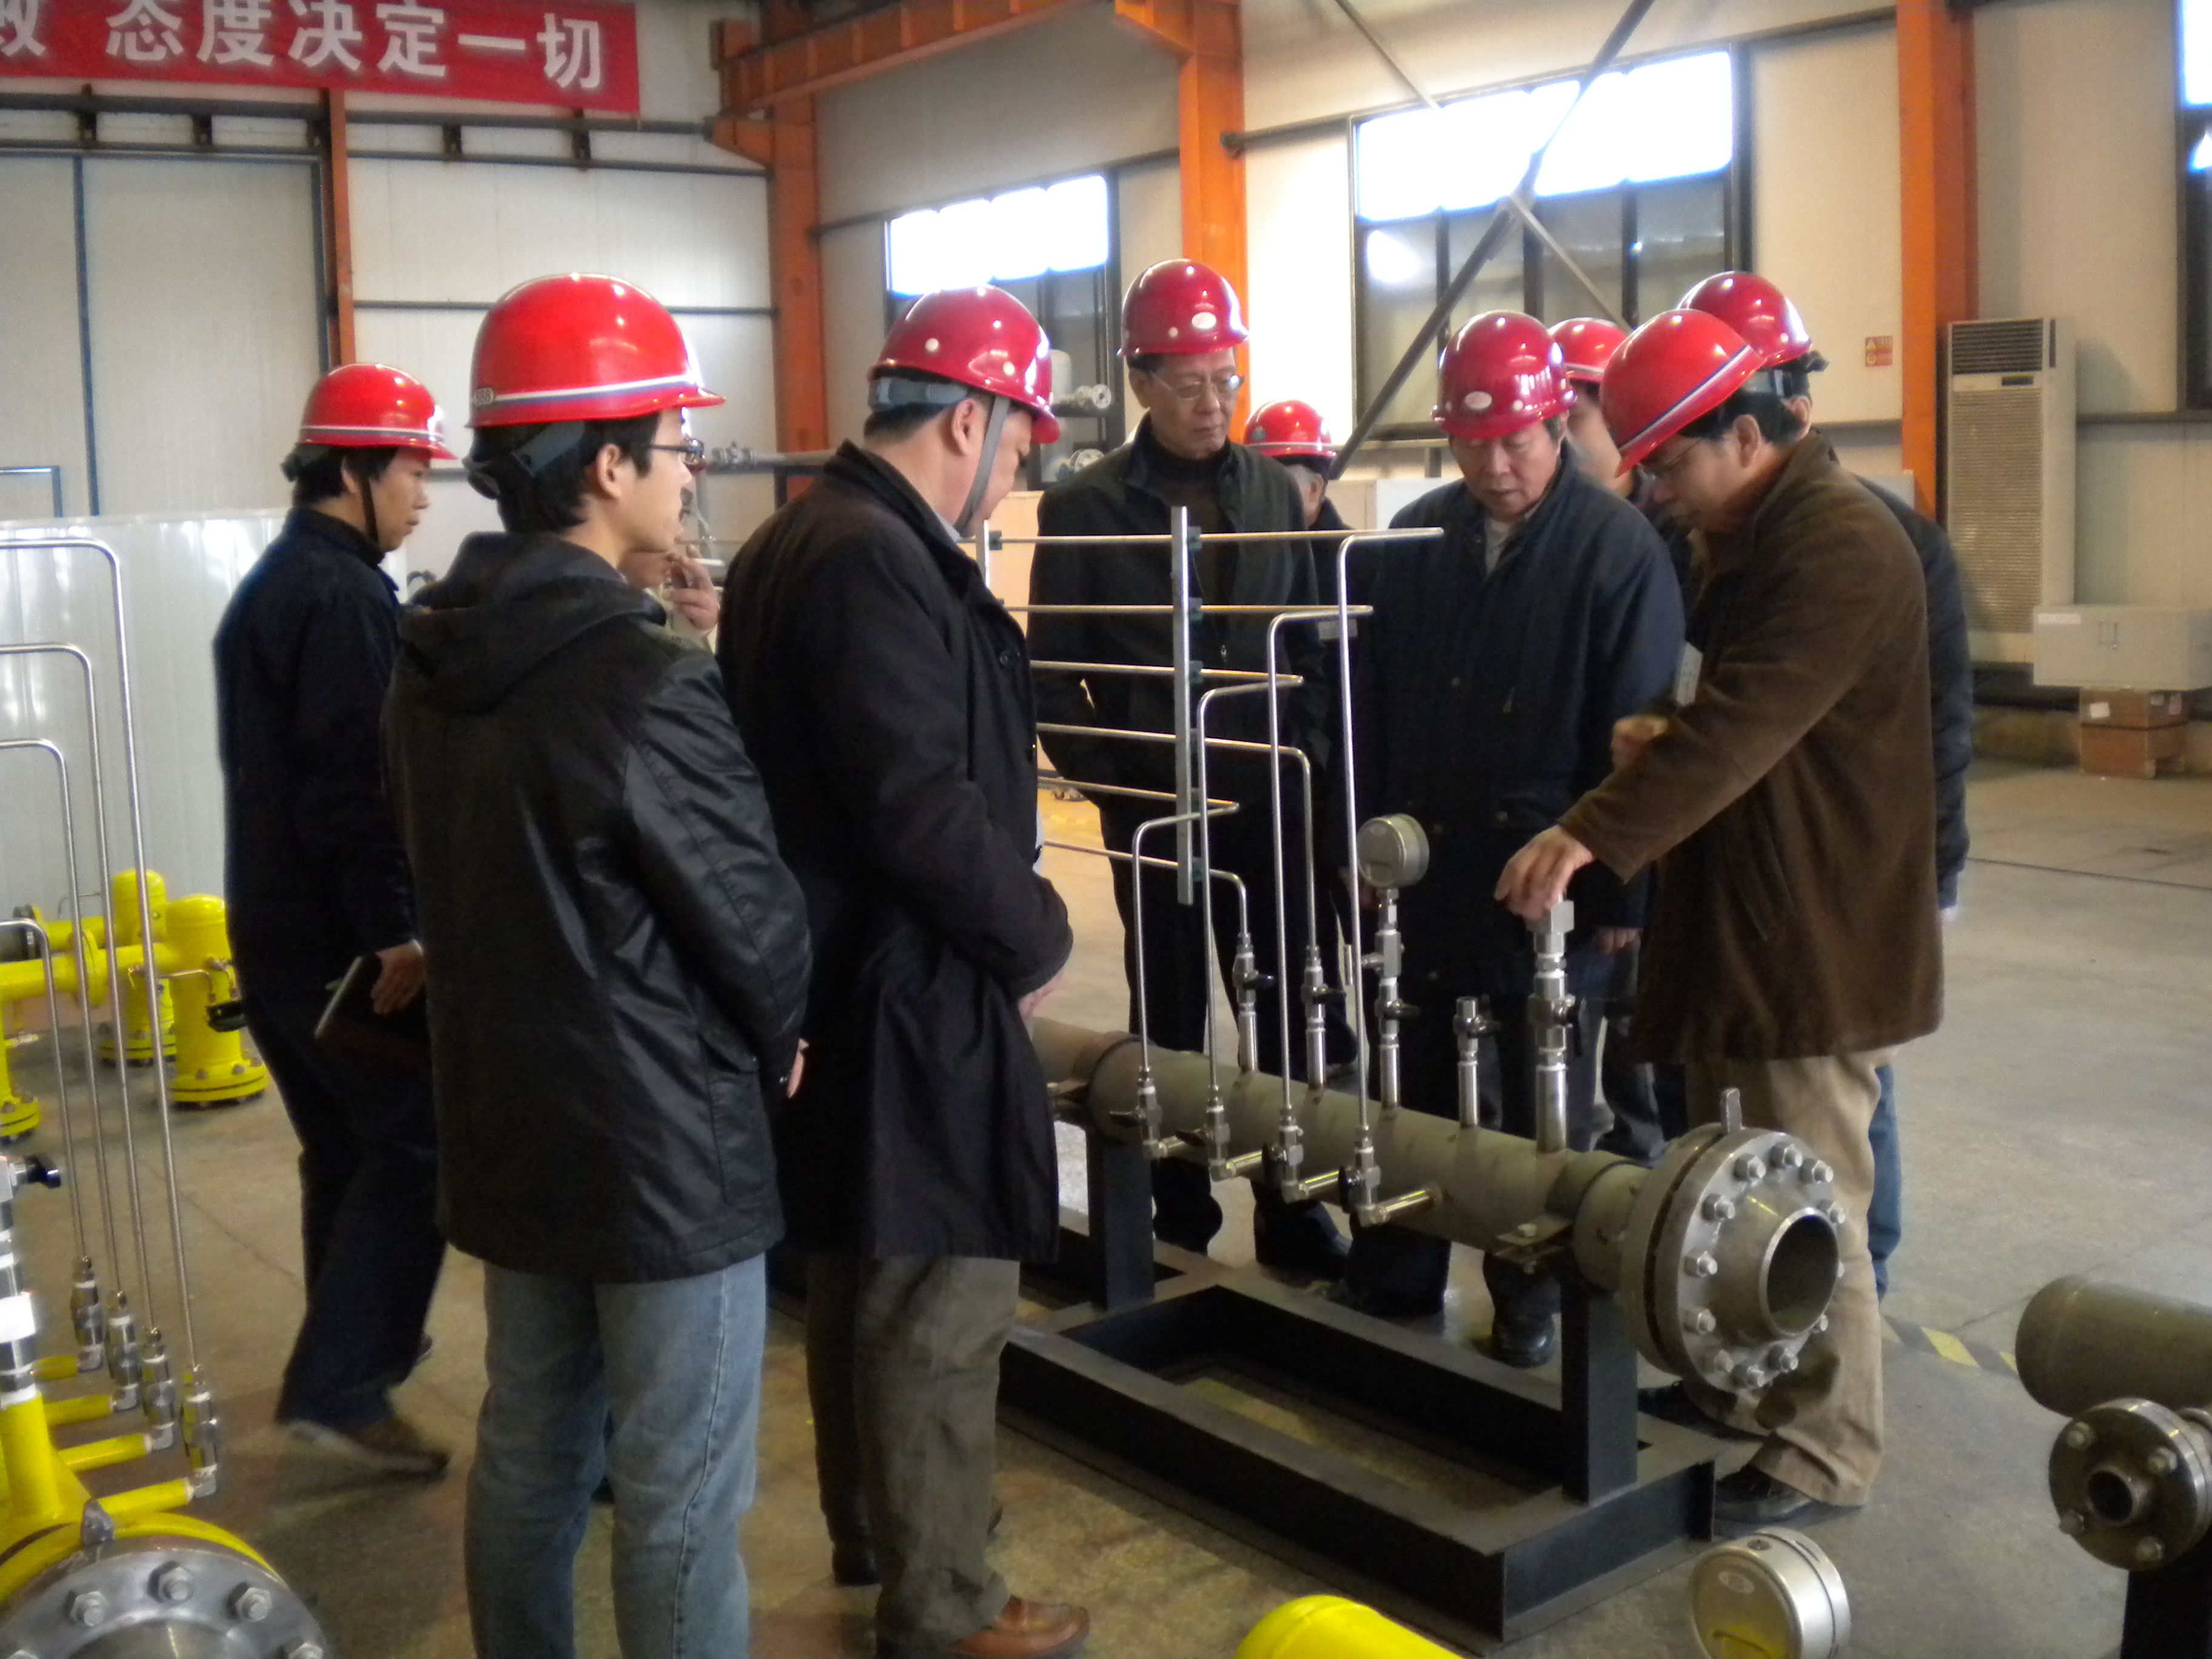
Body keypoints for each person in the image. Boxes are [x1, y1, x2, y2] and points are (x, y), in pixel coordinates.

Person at [384, 273, 811, 1659]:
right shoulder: (638, 676)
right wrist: (782, 1033)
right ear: (608, 466)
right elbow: (748, 913)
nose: (692, 468)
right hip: (663, 1146)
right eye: (676, 442)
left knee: (531, 1445)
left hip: (512, 1120)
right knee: (680, 1493)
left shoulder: (430, 656)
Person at [1497, 305, 1943, 1532]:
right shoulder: (1742, 539)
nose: (1660, 492)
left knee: (1807, 1198)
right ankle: (1750, 1393)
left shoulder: (1840, 545)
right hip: (1751, 923)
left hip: (1816, 937)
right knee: (1737, 1194)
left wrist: (1593, 829)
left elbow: (1744, 726)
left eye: (1672, 463)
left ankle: (1825, 1450)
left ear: (1745, 435)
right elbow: (1712, 713)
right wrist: (1658, 740)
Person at [719, 284, 1089, 1659]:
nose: (1022, 472)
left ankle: (878, 1542)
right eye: (1022, 439)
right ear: (971, 418)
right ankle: (945, 1607)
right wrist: (1032, 933)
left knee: (861, 1274)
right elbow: (915, 800)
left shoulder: (802, 537)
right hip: (909, 986)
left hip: (841, 978)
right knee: (940, 1291)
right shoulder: (873, 557)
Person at [1332, 312, 1682, 1359]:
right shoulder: (1413, 540)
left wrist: (1622, 894)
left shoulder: (1616, 549)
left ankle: (1530, 1299)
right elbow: (1364, 708)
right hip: (1425, 866)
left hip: (1551, 882)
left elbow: (1643, 734)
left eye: (1515, 442)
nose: (1494, 468)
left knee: (1542, 1106)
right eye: (1472, 444)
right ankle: (1396, 1271)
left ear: (1557, 425)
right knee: (1412, 1084)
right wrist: (1360, 843)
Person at [1030, 260, 1347, 1277]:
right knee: (1168, 1011)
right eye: (1191, 384)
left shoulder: (1272, 490)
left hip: (1265, 795)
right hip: (1152, 807)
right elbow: (1050, 673)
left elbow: (1307, 647)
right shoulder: (1084, 508)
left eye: (1227, 380)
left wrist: (1305, 759)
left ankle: (1294, 1203)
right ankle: (1177, 1212)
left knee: (1285, 1003)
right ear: (1140, 382)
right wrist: (1116, 784)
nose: (1214, 403)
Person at [1678, 271, 1974, 1296]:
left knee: (1839, 1111)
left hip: (1843, 883)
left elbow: (1936, 726)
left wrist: (1935, 873)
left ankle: (1858, 1284)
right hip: (1752, 885)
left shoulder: (1871, 541)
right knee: (1768, 1132)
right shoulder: (1722, 538)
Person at [213, 363, 450, 1474]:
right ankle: (345, 1381)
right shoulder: (346, 598)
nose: (424, 497)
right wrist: (398, 929)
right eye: (411, 471)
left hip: (271, 930)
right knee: (418, 1145)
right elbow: (357, 784)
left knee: (348, 1151)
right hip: (342, 945)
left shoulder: (274, 584)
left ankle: (343, 1373)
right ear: (354, 470)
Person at [1549, 317, 1672, 1165]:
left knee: (1642, 1042)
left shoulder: (1674, 532)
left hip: (1649, 840)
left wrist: (1626, 882)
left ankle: (1640, 1180)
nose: (1563, 437)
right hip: (1575, 840)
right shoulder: (1557, 536)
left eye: (1578, 418)